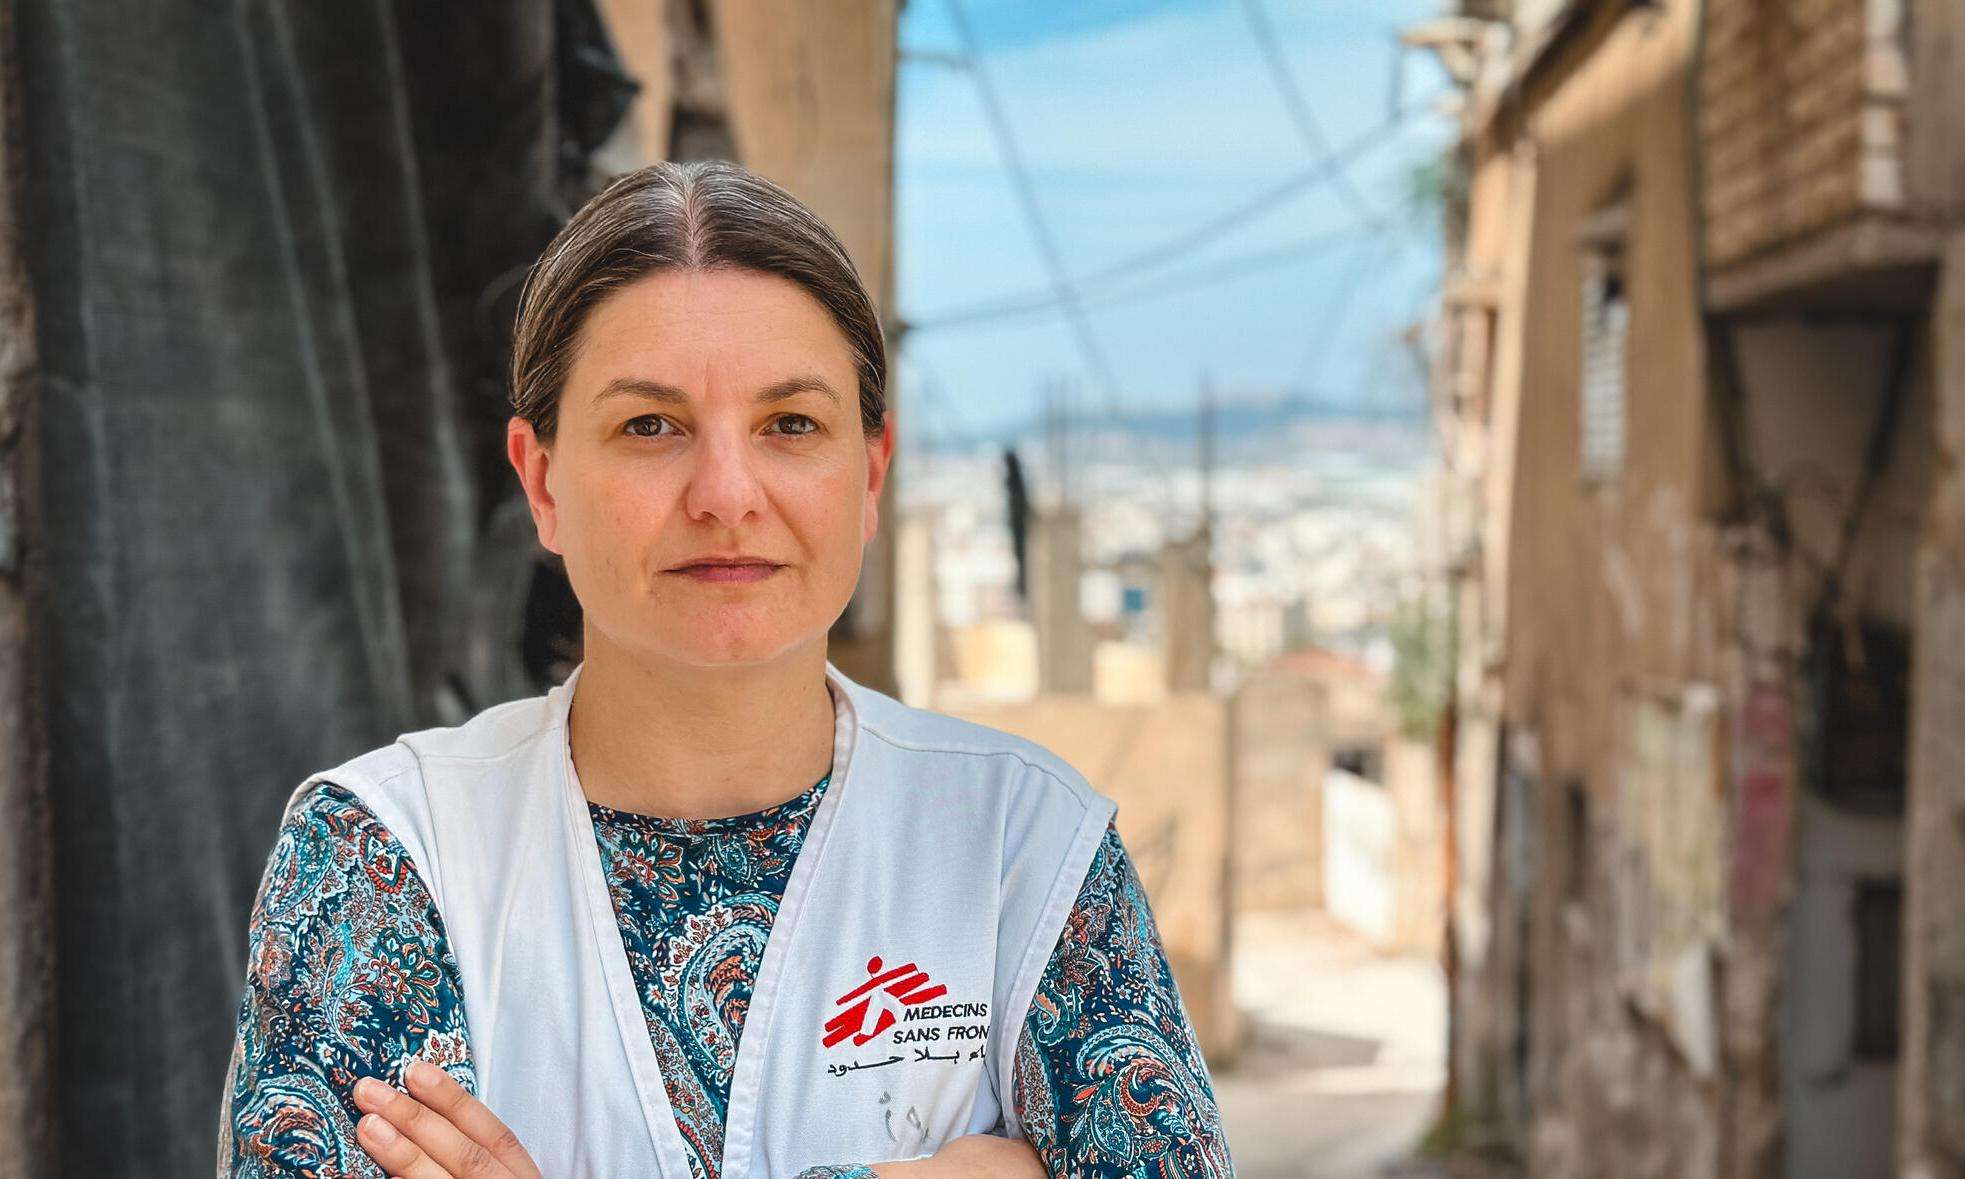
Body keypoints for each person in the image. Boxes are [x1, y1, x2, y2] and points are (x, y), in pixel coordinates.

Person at [218, 159, 1233, 1179]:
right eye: (648, 426)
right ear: (542, 481)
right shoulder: (388, 855)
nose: (727, 492)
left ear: (870, 474)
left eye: (791, 424)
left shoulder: (1022, 847)